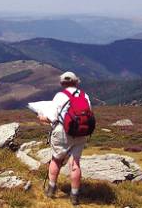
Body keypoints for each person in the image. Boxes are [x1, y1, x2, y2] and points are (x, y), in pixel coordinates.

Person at [37, 71, 91, 205]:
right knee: (75, 164)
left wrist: (40, 117)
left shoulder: (60, 96)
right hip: (80, 133)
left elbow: (50, 118)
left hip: (62, 132)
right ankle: (74, 196)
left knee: (56, 160)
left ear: (62, 83)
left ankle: (51, 189)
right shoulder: (84, 96)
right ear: (76, 82)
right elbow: (89, 114)